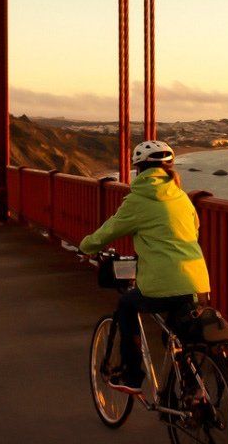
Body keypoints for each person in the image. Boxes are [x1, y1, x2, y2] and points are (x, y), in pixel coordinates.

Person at [79, 140, 211, 394]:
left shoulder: (138, 199)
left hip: (162, 282)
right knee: (176, 333)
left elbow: (110, 230)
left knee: (127, 305)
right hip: (197, 281)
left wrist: (85, 246)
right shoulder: (182, 197)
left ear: (138, 169)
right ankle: (193, 393)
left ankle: (132, 375)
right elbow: (194, 229)